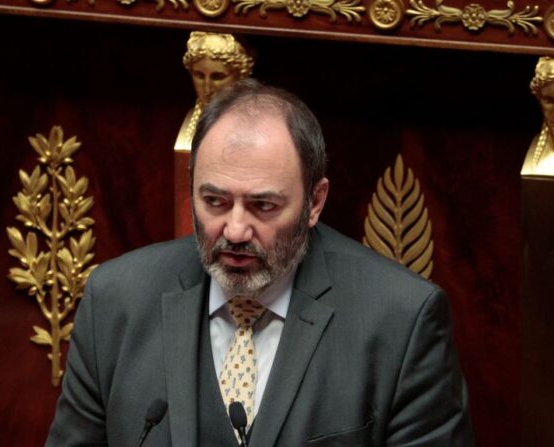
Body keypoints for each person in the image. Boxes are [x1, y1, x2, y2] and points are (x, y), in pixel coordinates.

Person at [47, 79, 473, 446]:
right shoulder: (115, 300)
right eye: (214, 201)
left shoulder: (401, 321)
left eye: (263, 206)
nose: (234, 230)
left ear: (314, 202)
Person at [175, 32, 254, 151]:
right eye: (199, 75)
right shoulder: (189, 126)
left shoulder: (252, 127)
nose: (207, 88)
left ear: (240, 77)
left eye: (217, 77)